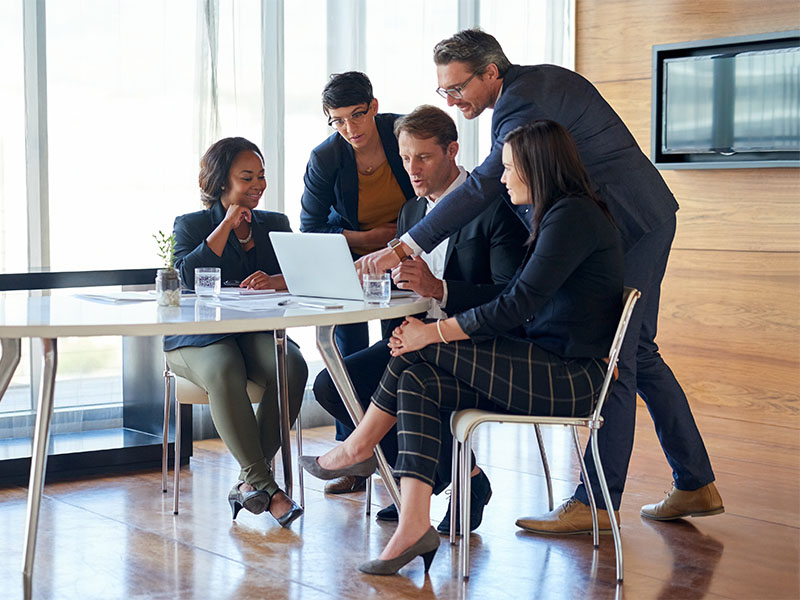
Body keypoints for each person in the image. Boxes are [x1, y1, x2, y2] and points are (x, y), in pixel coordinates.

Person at [356, 29, 723, 532]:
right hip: (627, 219)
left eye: (457, 88)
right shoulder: (525, 90)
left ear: (491, 73)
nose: (451, 99)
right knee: (638, 352)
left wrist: (405, 245)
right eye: (444, 90)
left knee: (619, 356)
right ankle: (694, 481)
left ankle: (597, 502)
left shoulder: (524, 101)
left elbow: (484, 185)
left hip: (632, 221)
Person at [301, 120, 624, 575]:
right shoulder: (558, 214)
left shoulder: (572, 217)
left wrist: (430, 333)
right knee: (417, 377)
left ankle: (358, 447)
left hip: (569, 377)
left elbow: (514, 304)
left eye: (508, 168)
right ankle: (414, 524)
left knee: (415, 351)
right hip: (546, 365)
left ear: (536, 167)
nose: (502, 178)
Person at [312, 105, 528, 531]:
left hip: (473, 344)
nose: (412, 169)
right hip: (416, 340)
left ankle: (423, 481)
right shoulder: (411, 212)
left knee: (409, 383)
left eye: (424, 157)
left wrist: (439, 288)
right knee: (332, 385)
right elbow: (406, 287)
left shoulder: (495, 208)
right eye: (406, 157)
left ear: (452, 151)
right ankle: (446, 476)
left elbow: (511, 299)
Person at [165, 137, 307, 528]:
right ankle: (267, 487)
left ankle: (249, 483)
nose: (259, 185)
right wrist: (227, 223)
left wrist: (275, 281)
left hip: (253, 333)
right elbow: (186, 277)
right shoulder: (191, 225)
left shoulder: (274, 224)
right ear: (221, 181)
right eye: (248, 177)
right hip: (196, 338)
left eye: (261, 176)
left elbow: (300, 275)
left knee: (292, 365)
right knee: (225, 366)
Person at [300, 71, 415, 358]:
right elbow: (310, 228)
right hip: (352, 257)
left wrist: (401, 241)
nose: (350, 128)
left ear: (373, 107)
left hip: (407, 251)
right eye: (338, 120)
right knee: (351, 349)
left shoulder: (405, 134)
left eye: (357, 115)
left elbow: (436, 194)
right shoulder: (325, 157)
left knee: (399, 340)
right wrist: (367, 238)